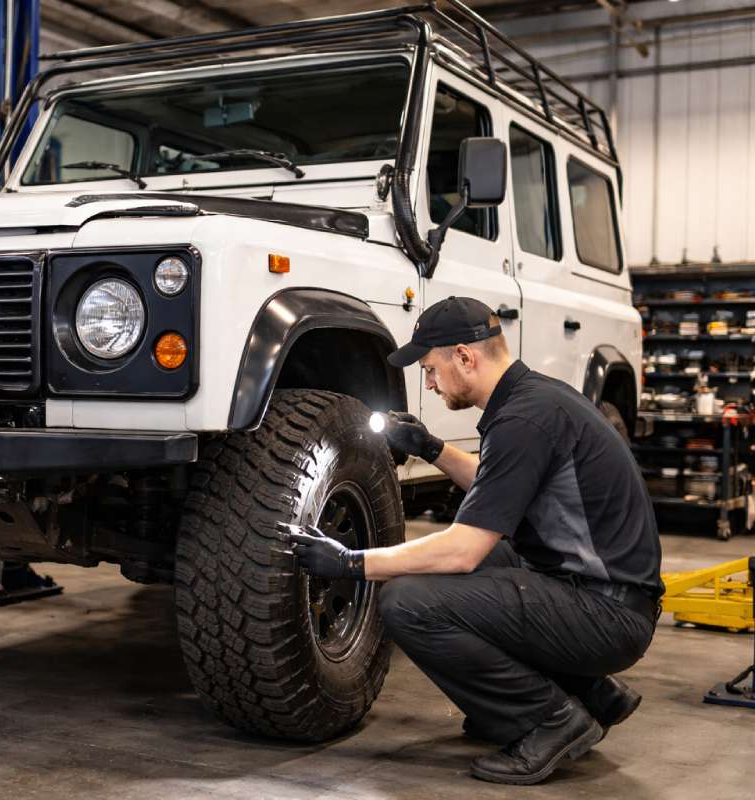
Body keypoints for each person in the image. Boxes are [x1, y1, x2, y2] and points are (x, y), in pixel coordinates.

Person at [283, 296, 663, 786]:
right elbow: (500, 484)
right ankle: (591, 690)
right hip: (601, 593)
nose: (429, 383)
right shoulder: (534, 399)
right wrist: (432, 449)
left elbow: (462, 552)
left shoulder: (522, 421)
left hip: (608, 613)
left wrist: (353, 562)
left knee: (408, 600)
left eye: (431, 369)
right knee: (477, 566)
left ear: (465, 357)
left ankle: (549, 719)